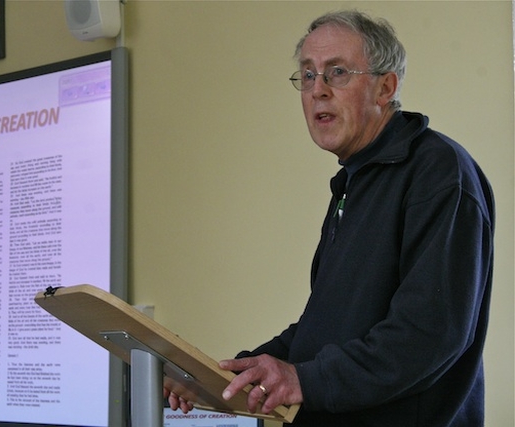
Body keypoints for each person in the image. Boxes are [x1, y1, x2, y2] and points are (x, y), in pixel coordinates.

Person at [165, 9, 495, 427]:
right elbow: (326, 330)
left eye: (336, 72)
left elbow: (428, 336)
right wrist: (231, 374)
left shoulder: (439, 173)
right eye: (307, 75)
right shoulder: (354, 182)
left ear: (385, 87)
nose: (317, 90)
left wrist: (305, 379)